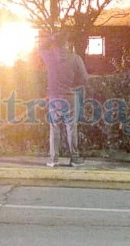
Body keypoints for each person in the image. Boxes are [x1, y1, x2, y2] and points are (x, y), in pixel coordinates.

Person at [39, 31, 88, 168]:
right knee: (71, 127)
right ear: (67, 43)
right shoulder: (75, 58)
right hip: (70, 97)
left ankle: (54, 159)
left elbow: (41, 48)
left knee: (54, 128)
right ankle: (75, 159)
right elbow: (84, 78)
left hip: (54, 97)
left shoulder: (49, 57)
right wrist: (74, 84)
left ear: (55, 43)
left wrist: (50, 38)